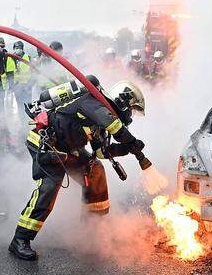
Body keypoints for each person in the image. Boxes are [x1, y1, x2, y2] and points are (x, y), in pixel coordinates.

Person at [9, 79, 146, 260]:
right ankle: (20, 239)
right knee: (50, 185)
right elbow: (115, 127)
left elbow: (101, 151)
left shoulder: (104, 118)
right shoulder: (93, 103)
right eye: (132, 109)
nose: (131, 115)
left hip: (67, 149)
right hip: (46, 145)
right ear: (124, 101)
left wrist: (126, 149)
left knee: (95, 170)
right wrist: (131, 141)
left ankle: (92, 227)